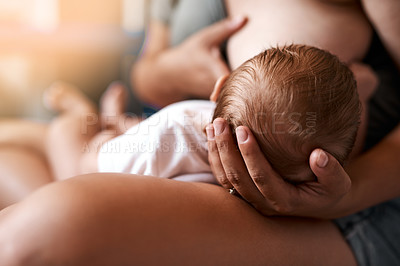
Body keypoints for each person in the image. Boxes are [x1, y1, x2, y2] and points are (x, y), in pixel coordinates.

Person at [0, 0, 399, 265]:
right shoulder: (179, 127)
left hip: (351, 204)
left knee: (64, 158)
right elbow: (145, 73)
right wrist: (170, 68)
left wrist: (342, 196)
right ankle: (97, 121)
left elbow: (92, 168)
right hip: (171, 135)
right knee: (10, 156)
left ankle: (81, 115)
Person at [46, 45, 361, 186]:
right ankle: (94, 114)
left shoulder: (174, 131)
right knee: (121, 135)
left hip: (152, 141)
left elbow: (88, 172)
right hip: (147, 142)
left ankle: (87, 115)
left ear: (218, 87)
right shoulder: (286, 177)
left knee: (65, 134)